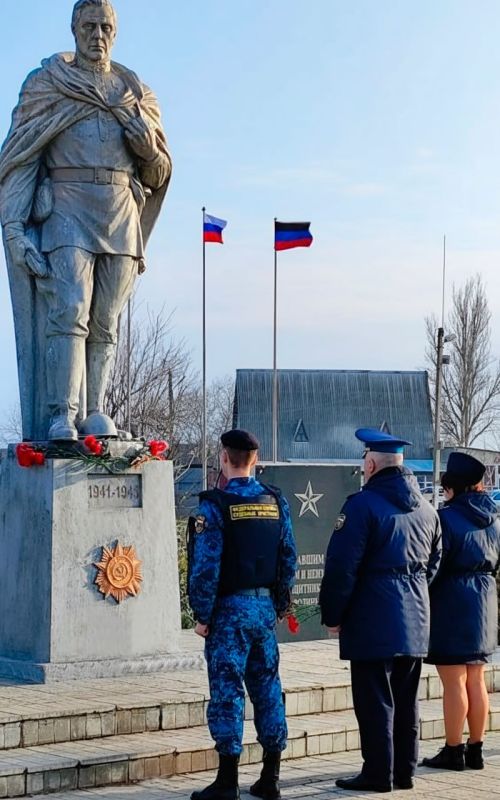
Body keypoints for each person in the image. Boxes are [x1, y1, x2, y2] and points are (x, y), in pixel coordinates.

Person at [0, 0, 171, 441]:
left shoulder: (137, 96)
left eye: (105, 27)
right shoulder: (48, 85)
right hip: (67, 207)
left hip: (119, 210)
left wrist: (148, 150)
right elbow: (21, 157)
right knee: (70, 307)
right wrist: (16, 230)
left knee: (106, 319)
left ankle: (96, 412)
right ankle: (62, 413)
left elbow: (157, 174)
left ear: (115, 34)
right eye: (89, 25)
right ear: (74, 30)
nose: (98, 35)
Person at [319, 428, 442, 793]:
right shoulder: (428, 510)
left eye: (363, 462)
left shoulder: (361, 506)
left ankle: (377, 773)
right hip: (416, 618)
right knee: (406, 699)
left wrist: (334, 615)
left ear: (370, 463)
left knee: (374, 701)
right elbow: (433, 566)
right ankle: (404, 771)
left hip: (372, 618)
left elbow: (342, 567)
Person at [187, 429, 297, 800]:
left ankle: (227, 781)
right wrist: (280, 604)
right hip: (263, 611)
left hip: (229, 613)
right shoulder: (275, 501)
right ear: (255, 459)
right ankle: (271, 777)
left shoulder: (215, 506)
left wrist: (202, 614)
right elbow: (288, 559)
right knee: (268, 689)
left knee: (228, 690)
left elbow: (205, 568)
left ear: (223, 458)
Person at [422, 452, 500, 772]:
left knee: (453, 680)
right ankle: (477, 749)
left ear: (451, 487)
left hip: (452, 599)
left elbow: (434, 565)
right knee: (476, 678)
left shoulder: (445, 517)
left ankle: (453, 750)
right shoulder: (494, 517)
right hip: (485, 600)